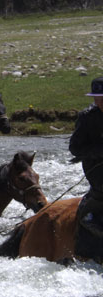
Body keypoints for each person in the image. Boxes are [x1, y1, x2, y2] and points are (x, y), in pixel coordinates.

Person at [69, 76, 103, 257]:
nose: (100, 103)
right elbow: (75, 148)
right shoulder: (87, 117)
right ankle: (89, 215)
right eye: (97, 99)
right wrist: (99, 150)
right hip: (96, 167)